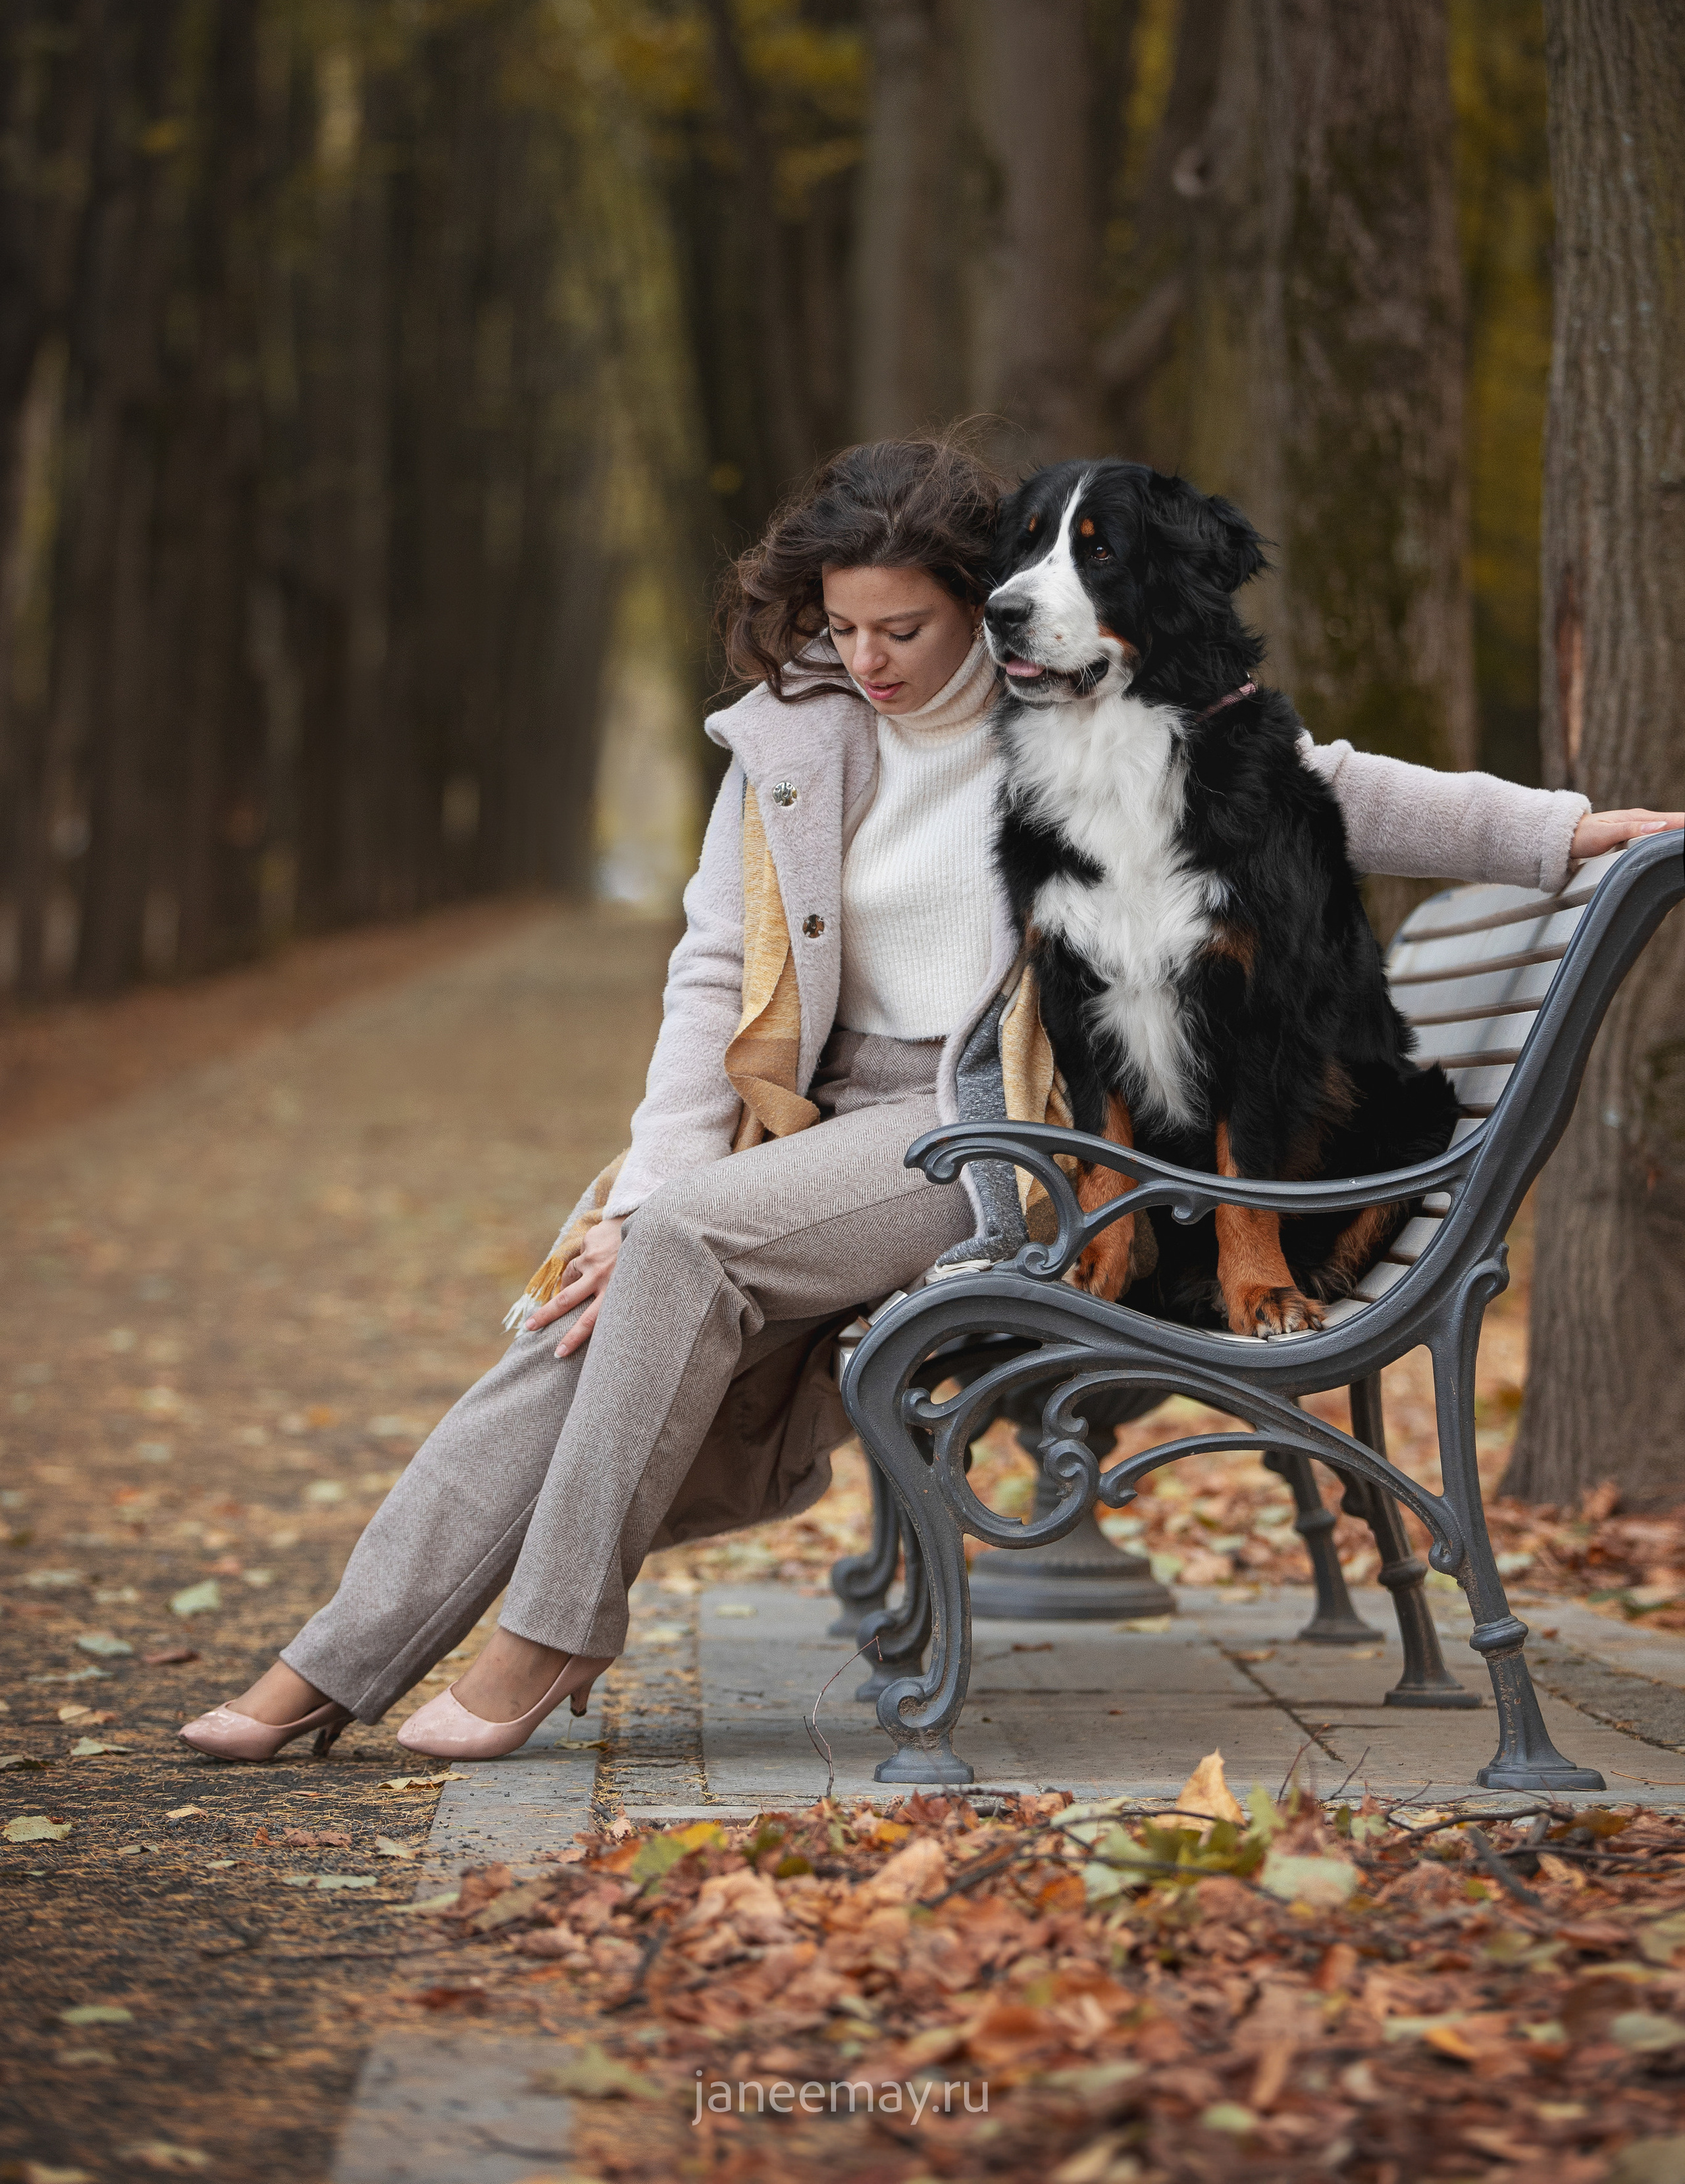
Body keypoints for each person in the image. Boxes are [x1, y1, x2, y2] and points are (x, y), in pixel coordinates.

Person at [180, 437, 1682, 1764]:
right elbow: (715, 974)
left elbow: (1322, 780)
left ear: (980, 595)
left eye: (900, 626)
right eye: (839, 628)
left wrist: (1558, 832)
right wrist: (642, 1180)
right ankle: (331, 1665)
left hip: (995, 1124)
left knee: (683, 1250)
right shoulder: (793, 736)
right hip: (817, 1125)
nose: (870, 659)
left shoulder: (1084, 706)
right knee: (592, 1296)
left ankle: (547, 1638)